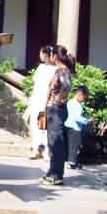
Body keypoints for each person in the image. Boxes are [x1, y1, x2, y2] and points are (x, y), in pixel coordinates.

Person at [40, 45, 73, 186]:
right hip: (53, 110)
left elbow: (66, 86)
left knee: (56, 142)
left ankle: (56, 174)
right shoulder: (59, 70)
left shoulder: (63, 71)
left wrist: (57, 100)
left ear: (55, 56)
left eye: (52, 54)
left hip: (56, 110)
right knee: (52, 142)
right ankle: (52, 171)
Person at [28, 45, 57, 159]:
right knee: (35, 124)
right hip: (37, 97)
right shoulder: (40, 67)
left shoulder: (55, 69)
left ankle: (47, 150)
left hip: (46, 99)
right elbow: (35, 84)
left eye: (41, 53)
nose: (40, 55)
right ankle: (36, 149)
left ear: (46, 54)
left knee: (45, 125)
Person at [65, 85, 91, 169]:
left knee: (70, 145)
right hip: (75, 128)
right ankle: (72, 162)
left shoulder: (69, 102)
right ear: (80, 94)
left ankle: (71, 161)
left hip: (68, 126)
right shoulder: (77, 105)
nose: (84, 100)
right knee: (75, 146)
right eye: (84, 98)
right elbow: (76, 117)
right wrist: (87, 121)